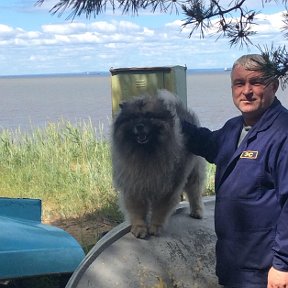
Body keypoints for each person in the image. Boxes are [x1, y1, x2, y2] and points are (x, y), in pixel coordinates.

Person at [181, 54, 288, 288]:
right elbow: (208, 143)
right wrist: (172, 122)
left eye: (256, 82)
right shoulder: (234, 128)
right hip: (234, 263)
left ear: (274, 86)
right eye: (239, 83)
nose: (246, 91)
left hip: (265, 269)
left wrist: (282, 266)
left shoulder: (282, 133)